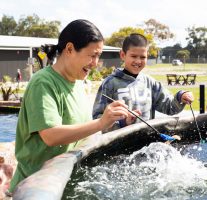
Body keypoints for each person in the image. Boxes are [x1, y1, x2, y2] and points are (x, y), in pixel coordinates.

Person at [8, 19, 134, 193]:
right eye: (92, 55)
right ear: (69, 49)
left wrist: (115, 120)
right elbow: (50, 135)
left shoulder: (78, 83)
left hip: (65, 183)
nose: (96, 63)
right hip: (37, 188)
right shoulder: (43, 83)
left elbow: (82, 131)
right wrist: (100, 123)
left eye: (98, 56)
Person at [92, 33, 194, 130]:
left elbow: (169, 107)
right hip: (119, 144)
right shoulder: (110, 83)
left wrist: (181, 96)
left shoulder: (150, 82)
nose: (138, 61)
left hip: (147, 142)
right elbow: (98, 119)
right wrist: (123, 122)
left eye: (142, 57)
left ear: (147, 56)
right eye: (133, 56)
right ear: (123, 55)